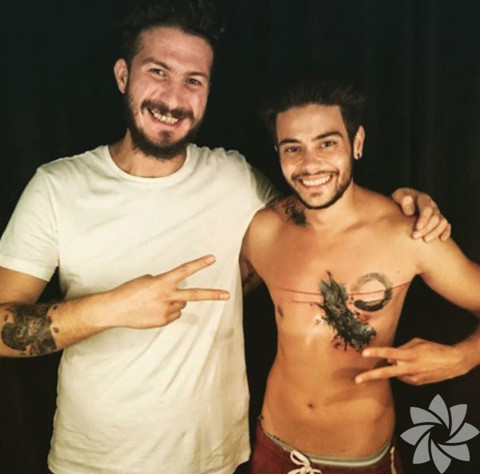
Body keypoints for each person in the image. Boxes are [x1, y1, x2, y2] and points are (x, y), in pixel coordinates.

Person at [0, 1, 449, 473]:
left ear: (208, 92)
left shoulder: (234, 177)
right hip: (95, 461)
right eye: (158, 71)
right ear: (122, 75)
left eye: (193, 80)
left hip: (216, 458)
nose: (173, 98)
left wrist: (404, 205)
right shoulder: (57, 186)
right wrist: (112, 308)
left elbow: (321, 208)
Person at [240, 78, 480, 474]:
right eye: (293, 148)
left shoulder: (409, 234)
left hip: (360, 461)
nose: (310, 164)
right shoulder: (264, 230)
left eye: (326, 143)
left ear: (357, 143)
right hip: (273, 451)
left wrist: (460, 359)